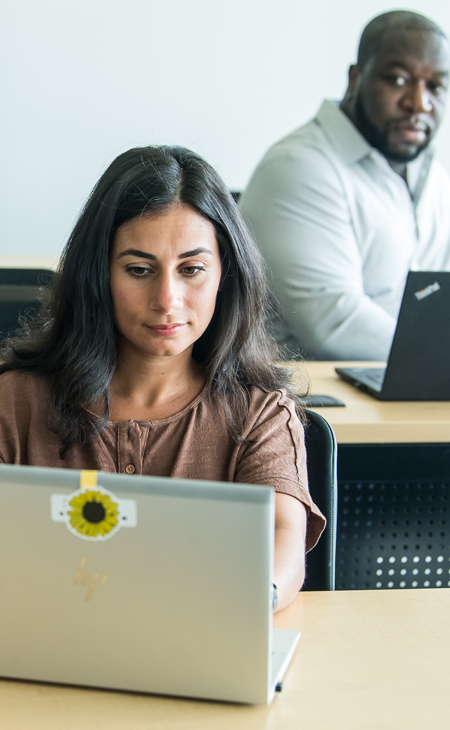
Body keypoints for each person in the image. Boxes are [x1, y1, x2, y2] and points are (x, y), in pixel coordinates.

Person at [0, 145, 325, 612]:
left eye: (191, 270)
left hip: (206, 642)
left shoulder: (258, 413)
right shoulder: (15, 402)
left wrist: (251, 602)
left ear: (225, 276)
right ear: (98, 276)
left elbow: (281, 534)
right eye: (138, 270)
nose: (167, 299)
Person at [240, 10, 450, 361]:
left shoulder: (432, 174)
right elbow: (335, 323)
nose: (419, 103)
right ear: (355, 78)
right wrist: (438, 356)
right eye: (398, 80)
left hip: (408, 384)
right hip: (308, 399)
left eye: (435, 86)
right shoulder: (300, 167)